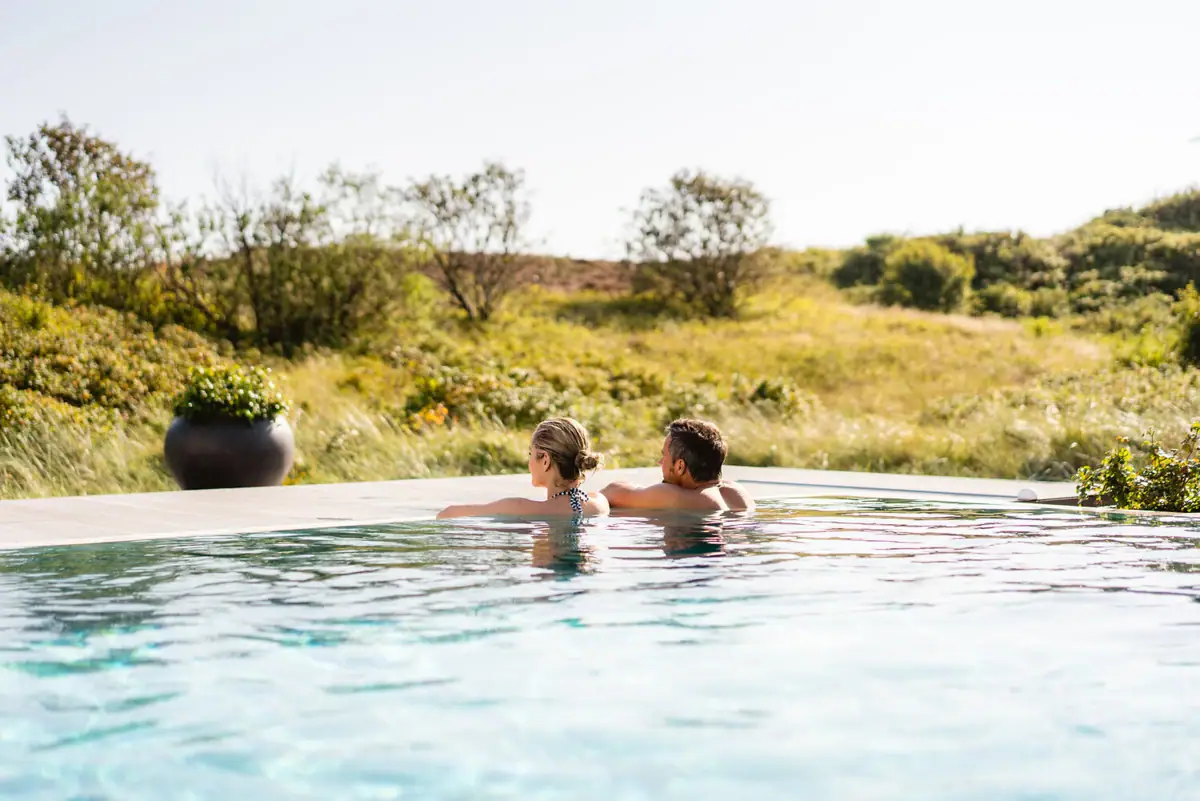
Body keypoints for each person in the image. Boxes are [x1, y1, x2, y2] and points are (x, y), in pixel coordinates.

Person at [436, 417, 610, 520]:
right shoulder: (599, 504)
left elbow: (447, 514)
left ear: (545, 460)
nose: (529, 463)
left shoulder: (518, 508)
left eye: (530, 454)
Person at [600, 418, 754, 512]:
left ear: (680, 466)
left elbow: (613, 492)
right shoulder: (739, 493)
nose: (660, 462)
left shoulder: (673, 496)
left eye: (664, 456)